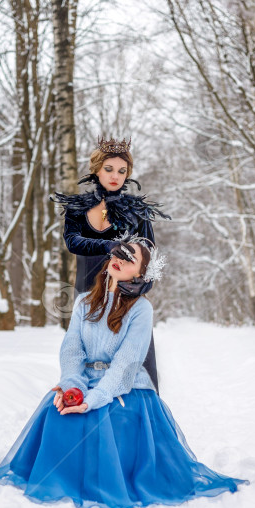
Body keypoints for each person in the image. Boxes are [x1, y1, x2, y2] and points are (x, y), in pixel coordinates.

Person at [0, 236, 250, 508]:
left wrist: (96, 397)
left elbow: (128, 361)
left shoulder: (141, 309)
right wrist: (72, 387)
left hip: (126, 387)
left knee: (105, 418)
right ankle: (61, 476)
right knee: (57, 410)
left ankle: (109, 480)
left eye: (130, 258)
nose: (119, 259)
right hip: (86, 381)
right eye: (118, 253)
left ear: (141, 273)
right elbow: (72, 350)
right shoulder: (84, 302)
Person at [49, 135, 171, 395]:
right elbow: (73, 242)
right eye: (109, 169)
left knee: (131, 364)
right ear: (96, 169)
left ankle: (139, 416)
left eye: (122, 171)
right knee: (85, 357)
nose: (115, 176)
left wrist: (138, 288)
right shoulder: (78, 208)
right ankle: (81, 400)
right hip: (88, 292)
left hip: (125, 296)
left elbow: (149, 255)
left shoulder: (138, 212)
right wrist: (107, 246)